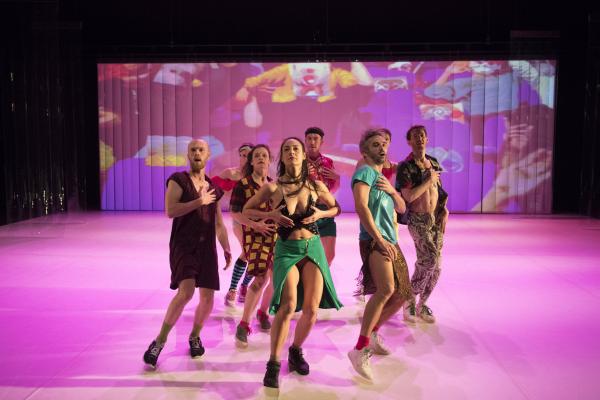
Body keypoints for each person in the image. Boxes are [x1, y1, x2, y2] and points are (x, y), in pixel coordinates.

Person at [242, 137, 343, 389]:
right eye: (286, 149)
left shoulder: (316, 185)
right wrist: (270, 214)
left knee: (311, 309)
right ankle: (273, 363)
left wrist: (321, 213)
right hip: (286, 249)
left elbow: (335, 208)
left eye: (295, 148)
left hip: (313, 248)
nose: (292, 152)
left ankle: (296, 350)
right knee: (287, 306)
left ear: (303, 155)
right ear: (282, 157)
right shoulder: (273, 187)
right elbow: (247, 210)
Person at [143, 139, 232, 368]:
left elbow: (219, 223)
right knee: (186, 292)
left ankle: (194, 336)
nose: (197, 153)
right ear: (188, 154)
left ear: (208, 155)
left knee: (208, 297)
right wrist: (199, 201)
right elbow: (170, 210)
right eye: (193, 150)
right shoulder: (178, 180)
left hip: (206, 247)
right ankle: (160, 340)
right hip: (183, 245)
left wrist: (226, 247)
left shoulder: (213, 187)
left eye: (201, 150)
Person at [347, 129, 411, 381]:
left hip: (390, 239)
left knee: (403, 293)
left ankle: (372, 332)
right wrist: (379, 239)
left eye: (384, 144)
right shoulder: (364, 172)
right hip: (375, 240)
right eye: (375, 145)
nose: (382, 147)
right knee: (386, 289)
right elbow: (361, 206)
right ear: (365, 152)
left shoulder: (382, 178)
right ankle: (360, 348)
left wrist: (393, 191)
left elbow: (403, 208)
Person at [396, 125, 449, 324]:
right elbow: (408, 197)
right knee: (429, 259)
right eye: (415, 136)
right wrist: (428, 179)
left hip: (436, 219)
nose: (419, 139)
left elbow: (438, 190)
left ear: (427, 139)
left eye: (422, 135)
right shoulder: (406, 166)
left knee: (437, 266)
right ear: (409, 141)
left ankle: (422, 304)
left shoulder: (433, 162)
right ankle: (408, 299)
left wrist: (445, 210)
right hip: (418, 219)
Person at [229, 145, 278, 346]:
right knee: (260, 278)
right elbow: (235, 212)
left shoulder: (274, 185)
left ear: (269, 160)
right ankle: (244, 324)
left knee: (276, 278)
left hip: (274, 235)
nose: (260, 158)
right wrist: (255, 225)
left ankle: (263, 312)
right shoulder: (243, 184)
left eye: (264, 155)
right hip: (253, 235)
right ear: (251, 161)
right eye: (256, 155)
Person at [216, 143, 256, 306]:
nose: (244, 158)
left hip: (257, 219)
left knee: (254, 254)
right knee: (248, 250)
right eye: (242, 155)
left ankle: (244, 285)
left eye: (248, 155)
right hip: (238, 218)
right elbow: (212, 188)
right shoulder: (230, 173)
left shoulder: (258, 174)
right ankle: (234, 288)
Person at [304, 126, 340, 265]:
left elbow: (333, 189)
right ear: (305, 141)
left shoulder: (328, 162)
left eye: (316, 139)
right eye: (309, 138)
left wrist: (337, 179)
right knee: (307, 254)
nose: (312, 142)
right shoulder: (299, 161)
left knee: (329, 255)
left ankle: (322, 277)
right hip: (306, 211)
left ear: (322, 142)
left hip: (326, 210)